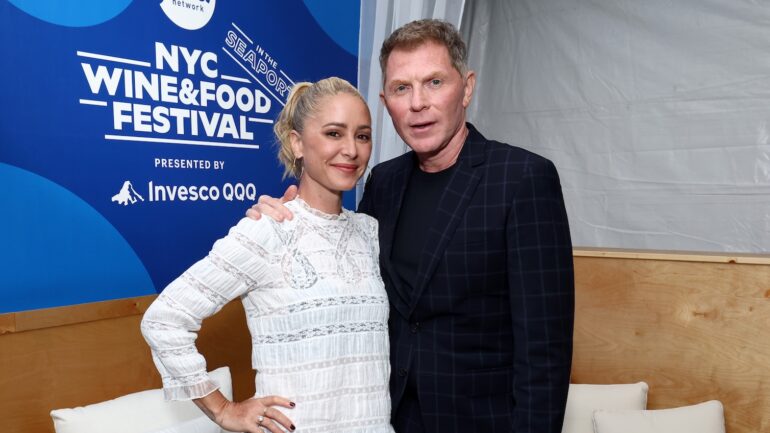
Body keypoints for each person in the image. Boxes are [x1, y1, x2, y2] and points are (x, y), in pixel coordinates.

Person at [248, 19, 574, 433]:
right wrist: (285, 218)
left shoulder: (522, 178)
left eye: (434, 82)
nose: (418, 103)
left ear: (467, 88)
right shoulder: (383, 182)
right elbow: (343, 269)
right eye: (402, 88)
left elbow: (545, 352)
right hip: (389, 418)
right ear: (386, 102)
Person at [142, 77, 395, 433]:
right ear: (297, 143)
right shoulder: (267, 229)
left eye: (363, 135)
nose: (351, 150)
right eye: (334, 133)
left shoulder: (370, 232)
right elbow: (163, 320)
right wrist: (223, 410)